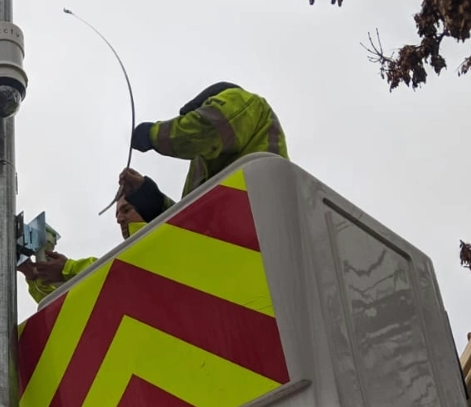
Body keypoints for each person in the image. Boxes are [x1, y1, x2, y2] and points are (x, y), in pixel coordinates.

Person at [126, 82, 288, 222]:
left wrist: (152, 134)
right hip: (235, 241)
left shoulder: (240, 99)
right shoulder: (203, 163)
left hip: (260, 226)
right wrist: (148, 197)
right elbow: (190, 223)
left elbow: (207, 128)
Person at [17, 187, 152, 304]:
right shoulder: (132, 254)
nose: (119, 219)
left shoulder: (152, 246)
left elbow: (114, 277)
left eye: (127, 210)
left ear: (148, 207)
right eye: (117, 215)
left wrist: (68, 269)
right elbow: (67, 308)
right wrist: (33, 276)